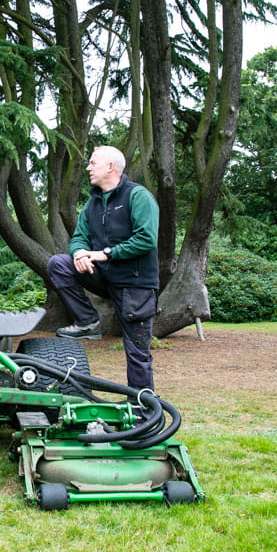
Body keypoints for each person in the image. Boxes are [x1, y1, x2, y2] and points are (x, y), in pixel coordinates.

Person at [47, 145, 160, 392]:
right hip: (105, 278)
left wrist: (103, 254)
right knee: (59, 264)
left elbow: (146, 239)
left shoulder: (137, 196)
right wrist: (79, 253)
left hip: (135, 286)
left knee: (137, 354)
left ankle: (143, 410)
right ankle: (88, 321)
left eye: (92, 162)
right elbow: (79, 237)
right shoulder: (93, 203)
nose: (88, 167)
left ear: (110, 167)